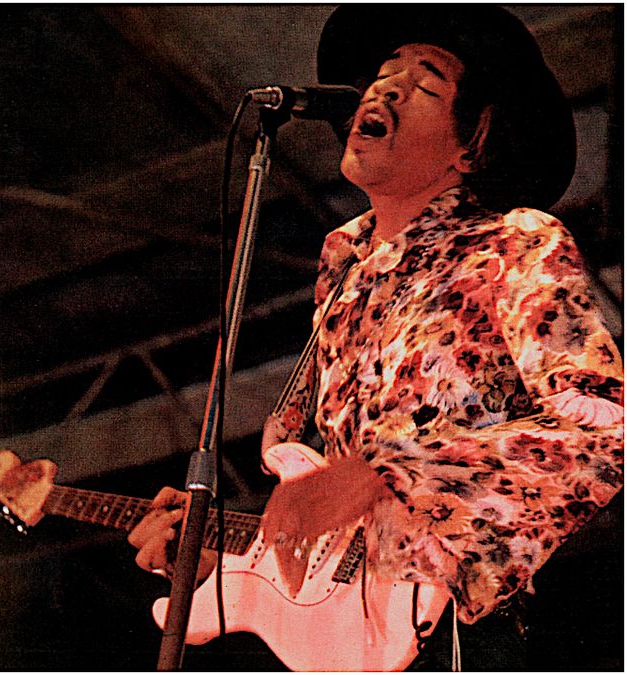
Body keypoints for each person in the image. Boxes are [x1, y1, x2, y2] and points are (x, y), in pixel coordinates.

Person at [129, 6, 622, 669]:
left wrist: (383, 473)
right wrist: (217, 559)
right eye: (383, 74)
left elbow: (601, 429)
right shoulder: (344, 269)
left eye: (424, 84)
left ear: (471, 143)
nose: (383, 87)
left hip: (465, 634)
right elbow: (348, 535)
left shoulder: (513, 243)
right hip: (361, 644)